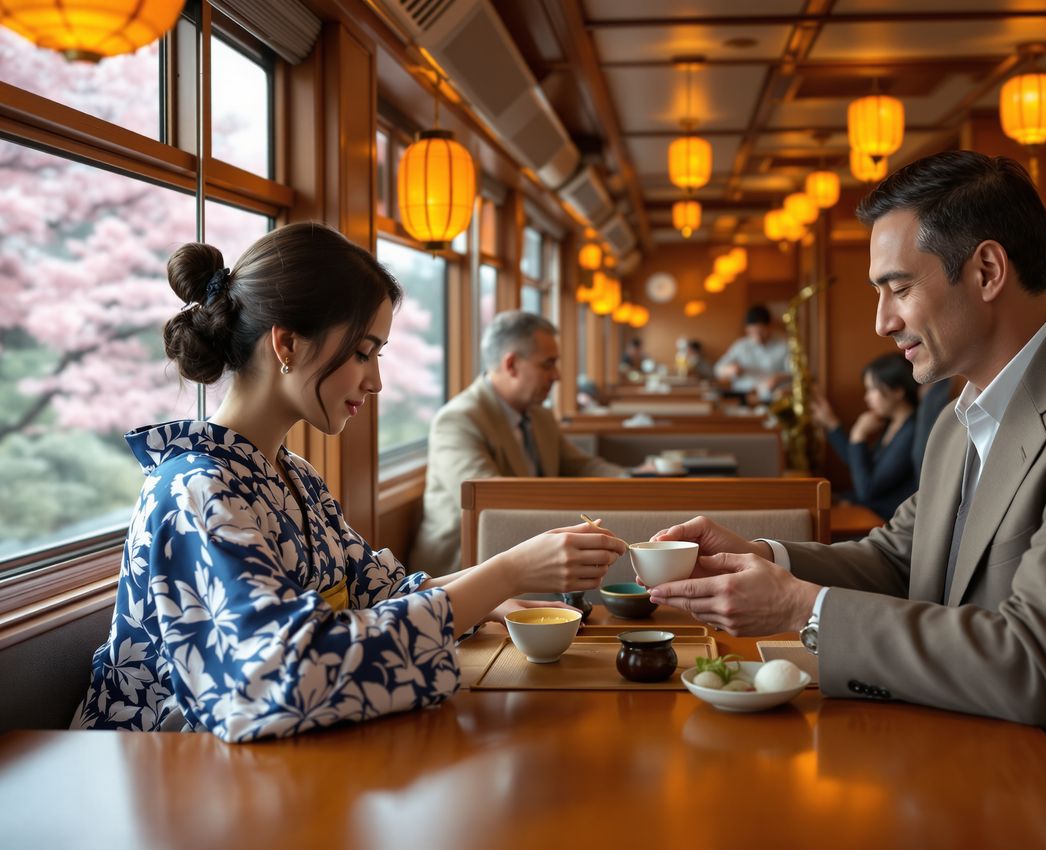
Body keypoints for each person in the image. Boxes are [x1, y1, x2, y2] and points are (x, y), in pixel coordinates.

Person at [647, 152, 1046, 850]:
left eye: (897, 288)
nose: (880, 321)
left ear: (987, 271)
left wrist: (797, 608)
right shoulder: (965, 409)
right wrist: (764, 558)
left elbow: (1036, 665)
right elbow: (901, 559)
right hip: (972, 763)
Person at [72, 223, 626, 743]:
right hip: (159, 777)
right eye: (363, 352)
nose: (377, 380)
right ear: (286, 344)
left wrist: (496, 591)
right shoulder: (194, 490)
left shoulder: (294, 475)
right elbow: (276, 680)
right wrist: (507, 570)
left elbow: (378, 593)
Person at [413, 310, 627, 574]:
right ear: (512, 364)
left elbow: (582, 466)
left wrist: (636, 484)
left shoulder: (540, 415)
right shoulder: (457, 420)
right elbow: (491, 500)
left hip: (529, 549)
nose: (557, 375)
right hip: (465, 569)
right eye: (548, 364)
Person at [810, 352, 919, 518]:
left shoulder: (912, 431)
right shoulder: (893, 423)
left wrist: (858, 435)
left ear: (897, 391)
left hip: (887, 522)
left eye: (871, 389)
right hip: (873, 514)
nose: (866, 398)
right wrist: (832, 424)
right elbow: (861, 465)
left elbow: (867, 490)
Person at [714, 305, 789, 401]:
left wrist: (778, 378)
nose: (758, 337)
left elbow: (794, 373)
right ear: (747, 330)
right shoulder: (741, 345)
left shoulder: (784, 344)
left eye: (761, 332)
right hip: (743, 397)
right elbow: (717, 369)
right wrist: (730, 370)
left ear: (770, 326)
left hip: (774, 398)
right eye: (752, 332)